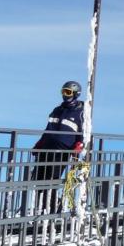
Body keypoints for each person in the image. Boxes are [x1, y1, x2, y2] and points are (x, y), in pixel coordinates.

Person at [29, 81, 85, 214]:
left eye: (68, 92)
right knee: (38, 178)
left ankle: (53, 210)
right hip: (46, 149)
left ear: (76, 94)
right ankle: (43, 208)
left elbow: (83, 132)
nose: (65, 95)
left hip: (62, 151)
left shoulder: (80, 113)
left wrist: (79, 145)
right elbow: (48, 129)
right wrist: (40, 143)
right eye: (63, 92)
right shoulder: (57, 110)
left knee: (52, 180)